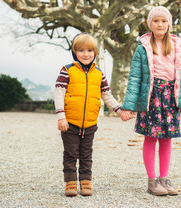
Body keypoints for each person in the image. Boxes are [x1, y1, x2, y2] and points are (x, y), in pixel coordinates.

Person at [120, 6, 181, 196]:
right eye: (156, 21)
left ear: (169, 24)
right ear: (149, 24)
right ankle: (152, 181)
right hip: (151, 96)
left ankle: (164, 179)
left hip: (170, 97)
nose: (160, 24)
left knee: (167, 138)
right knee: (151, 137)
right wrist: (128, 106)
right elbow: (135, 78)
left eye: (163, 21)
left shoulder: (178, 46)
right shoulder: (142, 48)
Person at [54, 33, 133, 197]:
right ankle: (70, 182)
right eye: (81, 50)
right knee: (70, 154)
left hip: (90, 123)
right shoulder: (67, 71)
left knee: (86, 154)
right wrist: (61, 116)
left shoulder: (99, 74)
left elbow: (107, 95)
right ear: (75, 52)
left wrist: (119, 110)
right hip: (70, 122)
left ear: (95, 52)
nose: (86, 54)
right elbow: (59, 93)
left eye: (90, 50)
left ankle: (85, 181)